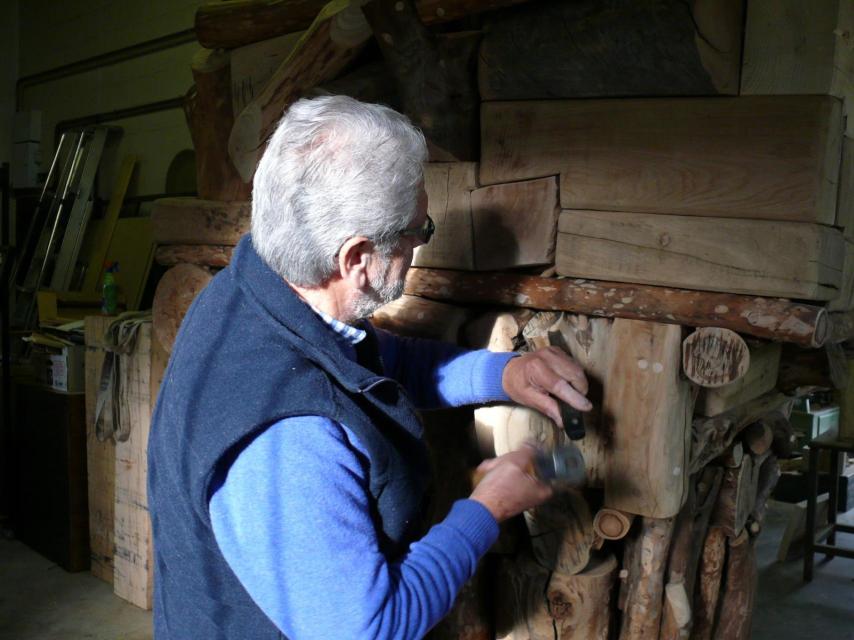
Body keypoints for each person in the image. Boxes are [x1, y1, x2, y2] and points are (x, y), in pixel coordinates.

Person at [147, 95, 591, 639]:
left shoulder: (254, 291)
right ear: (357, 259)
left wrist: (502, 374)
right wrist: (488, 508)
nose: (419, 243)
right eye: (418, 232)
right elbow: (368, 629)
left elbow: (377, 363)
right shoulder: (291, 440)